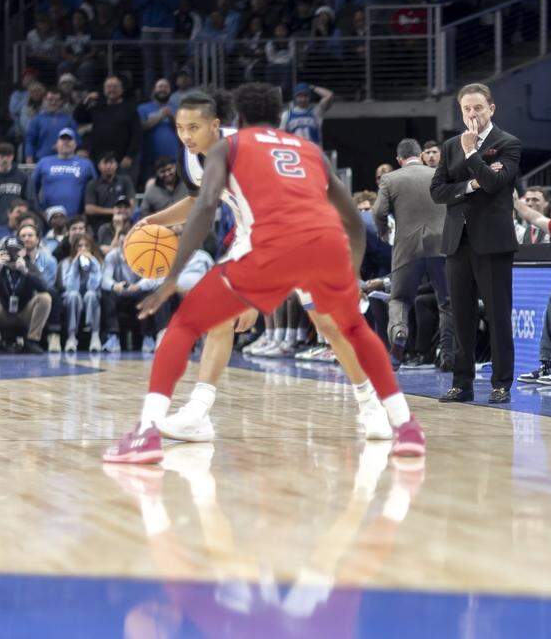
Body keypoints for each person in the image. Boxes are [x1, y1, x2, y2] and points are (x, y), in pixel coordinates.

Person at [104, 83, 426, 464]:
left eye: (194, 128)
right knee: (338, 326)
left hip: (268, 239)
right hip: (317, 236)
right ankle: (392, 418)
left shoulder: (234, 146)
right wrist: (151, 221)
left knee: (206, 322)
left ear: (221, 123)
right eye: (181, 128)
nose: (187, 136)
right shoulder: (298, 148)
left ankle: (149, 432)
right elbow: (199, 199)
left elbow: (210, 207)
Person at [429, 83, 521, 404]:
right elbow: (438, 191)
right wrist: (470, 183)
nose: (472, 114)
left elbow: (495, 182)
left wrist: (471, 154)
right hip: (457, 241)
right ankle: (462, 382)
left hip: (493, 243)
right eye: (467, 109)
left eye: (478, 108)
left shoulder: (507, 143)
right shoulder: (450, 144)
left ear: (491, 109)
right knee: (461, 316)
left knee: (497, 315)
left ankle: (501, 383)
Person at [373, 138, 449, 369]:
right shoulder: (439, 175)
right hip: (441, 247)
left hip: (407, 248)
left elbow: (378, 211)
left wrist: (384, 231)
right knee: (447, 302)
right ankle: (447, 356)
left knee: (399, 299)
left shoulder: (390, 178)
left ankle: (399, 331)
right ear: (421, 155)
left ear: (399, 159)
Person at [72, 76, 142, 170]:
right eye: (108, 87)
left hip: (122, 159)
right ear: (104, 89)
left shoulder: (130, 109)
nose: (111, 89)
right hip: (98, 159)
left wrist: (129, 156)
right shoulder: (98, 107)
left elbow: (137, 135)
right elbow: (78, 117)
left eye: (115, 86)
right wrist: (86, 101)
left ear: (122, 89)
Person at [0, 236, 52, 353]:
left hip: (24, 312)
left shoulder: (29, 265)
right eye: (9, 251)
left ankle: (32, 341)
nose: (12, 255)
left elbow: (45, 288)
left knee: (45, 298)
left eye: (16, 251)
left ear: (22, 252)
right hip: (3, 312)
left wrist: (26, 272)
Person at [32, 129, 95, 217]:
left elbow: (95, 188)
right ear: (56, 144)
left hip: (77, 220)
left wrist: (85, 213)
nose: (66, 142)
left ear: (75, 144)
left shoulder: (86, 164)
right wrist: (39, 211)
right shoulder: (44, 162)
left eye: (69, 140)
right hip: (48, 218)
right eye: (63, 139)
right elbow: (32, 189)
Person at [24, 88, 79, 164]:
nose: (53, 102)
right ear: (44, 100)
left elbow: (76, 140)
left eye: (57, 100)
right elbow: (30, 141)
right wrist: (29, 157)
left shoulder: (69, 120)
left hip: (66, 161)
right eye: (50, 99)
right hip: (42, 161)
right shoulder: (36, 120)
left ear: (61, 102)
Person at [84, 153, 135, 232]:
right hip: (99, 225)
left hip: (123, 223)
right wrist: (113, 211)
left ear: (116, 165)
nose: (108, 166)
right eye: (105, 163)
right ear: (99, 166)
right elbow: (89, 209)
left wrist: (126, 213)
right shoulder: (92, 184)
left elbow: (131, 202)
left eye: (111, 162)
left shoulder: (125, 180)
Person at [0, 142, 32, 222]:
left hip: (17, 222)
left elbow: (29, 200)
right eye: (2, 156)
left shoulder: (22, 177)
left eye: (8, 156)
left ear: (13, 157)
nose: (5, 159)